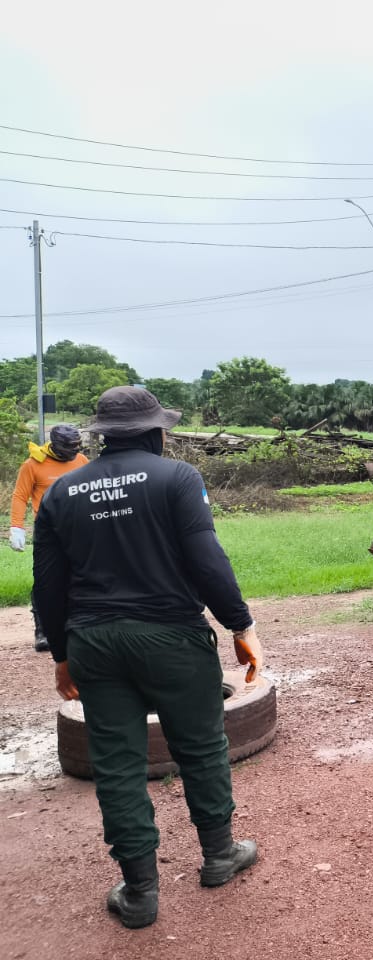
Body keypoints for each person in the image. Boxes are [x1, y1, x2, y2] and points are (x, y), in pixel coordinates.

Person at [32, 386, 263, 930]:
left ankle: (140, 893)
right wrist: (240, 624)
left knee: (117, 766)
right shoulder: (177, 478)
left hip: (94, 643)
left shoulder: (62, 492)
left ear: (103, 435)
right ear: (158, 432)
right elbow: (207, 560)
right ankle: (219, 856)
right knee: (202, 749)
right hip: (171, 637)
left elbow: (47, 586)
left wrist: (62, 656)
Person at [10, 423, 89, 651]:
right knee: (46, 580)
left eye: (77, 447)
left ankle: (76, 626)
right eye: (70, 448)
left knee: (81, 578)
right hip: (48, 533)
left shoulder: (81, 461)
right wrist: (17, 526)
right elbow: (19, 496)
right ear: (56, 445)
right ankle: (42, 630)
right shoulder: (33, 465)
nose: (74, 452)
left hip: (78, 530)